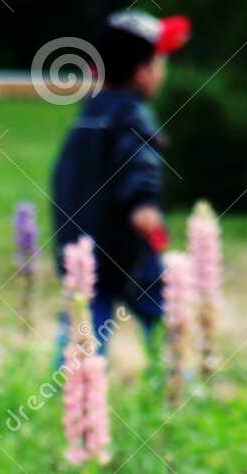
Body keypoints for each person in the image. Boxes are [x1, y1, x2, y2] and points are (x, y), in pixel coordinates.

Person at [51, 10, 191, 350]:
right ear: (144, 72)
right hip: (126, 249)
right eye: (161, 61)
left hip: (82, 247)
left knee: (84, 324)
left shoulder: (89, 114)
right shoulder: (133, 115)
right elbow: (139, 161)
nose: (164, 71)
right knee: (162, 314)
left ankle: (67, 389)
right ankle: (176, 386)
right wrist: (143, 203)